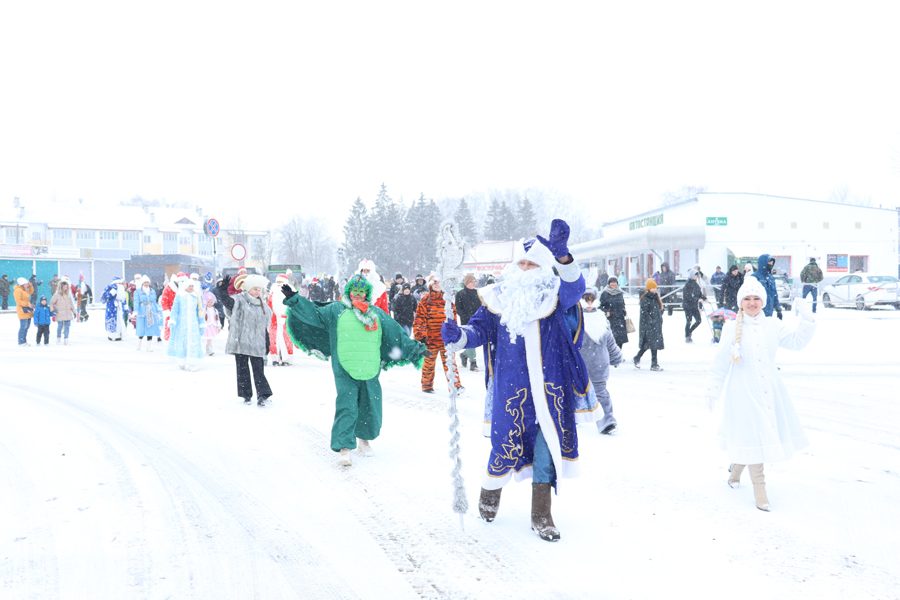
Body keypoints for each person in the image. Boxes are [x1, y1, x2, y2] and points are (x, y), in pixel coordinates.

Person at [441, 219, 597, 542]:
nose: (526, 268)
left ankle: (541, 514)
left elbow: (576, 288)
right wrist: (459, 336)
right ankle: (489, 495)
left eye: (533, 263)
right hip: (509, 390)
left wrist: (564, 257)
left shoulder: (554, 296)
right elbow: (478, 330)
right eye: (522, 262)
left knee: (545, 451)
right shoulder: (497, 297)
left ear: (543, 268)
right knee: (504, 446)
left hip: (548, 390)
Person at [282, 274, 429, 465]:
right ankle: (344, 447)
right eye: (355, 291)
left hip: (369, 366)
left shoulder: (375, 313)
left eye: (362, 292)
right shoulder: (336, 310)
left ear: (367, 294)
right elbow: (314, 314)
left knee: (370, 404)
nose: (358, 295)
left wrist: (414, 348)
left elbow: (395, 333)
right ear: (349, 291)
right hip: (344, 366)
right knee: (347, 405)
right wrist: (296, 301)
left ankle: (364, 440)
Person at [706, 278, 816, 512]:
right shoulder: (730, 328)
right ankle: (760, 491)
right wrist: (712, 390)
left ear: (763, 301)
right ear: (740, 302)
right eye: (747, 298)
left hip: (770, 391)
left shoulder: (773, 326)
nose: (752, 303)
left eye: (756, 298)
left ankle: (735, 473)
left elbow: (797, 342)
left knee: (753, 437)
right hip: (742, 393)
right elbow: (720, 364)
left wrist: (806, 319)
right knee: (755, 437)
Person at [220, 274, 274, 405]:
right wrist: (222, 291)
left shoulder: (262, 304)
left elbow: (264, 326)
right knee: (242, 369)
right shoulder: (239, 300)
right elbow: (228, 303)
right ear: (248, 288)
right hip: (241, 341)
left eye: (259, 289)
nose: (257, 292)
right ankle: (246, 395)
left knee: (258, 370)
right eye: (255, 289)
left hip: (257, 342)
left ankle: (262, 394)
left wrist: (267, 341)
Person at [579, 288, 623, 435]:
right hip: (580, 364)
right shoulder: (575, 318)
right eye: (586, 299)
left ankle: (607, 422)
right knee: (575, 392)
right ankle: (574, 418)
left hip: (599, 364)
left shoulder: (601, 317)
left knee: (601, 393)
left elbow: (609, 340)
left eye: (592, 299)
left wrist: (616, 355)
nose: (589, 303)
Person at [414, 275, 463, 394]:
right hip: (430, 339)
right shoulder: (425, 301)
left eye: (439, 283)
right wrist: (421, 335)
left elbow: (453, 319)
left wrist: (454, 333)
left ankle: (455, 386)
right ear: (430, 285)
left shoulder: (448, 301)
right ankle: (427, 385)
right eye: (434, 283)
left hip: (446, 339)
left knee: (450, 363)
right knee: (428, 364)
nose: (437, 285)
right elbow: (419, 319)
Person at [167, 278, 205, 371]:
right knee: (182, 342)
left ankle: (192, 363)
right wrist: (172, 321)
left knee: (192, 343)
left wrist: (201, 323)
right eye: (189, 286)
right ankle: (182, 361)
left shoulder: (196, 296)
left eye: (192, 286)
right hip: (182, 324)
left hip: (193, 324)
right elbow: (175, 310)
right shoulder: (180, 296)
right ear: (185, 287)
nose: (191, 288)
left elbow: (199, 311)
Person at [633, 279, 664, 371]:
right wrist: (651, 322)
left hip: (655, 325)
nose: (654, 290)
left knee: (651, 345)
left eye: (655, 288)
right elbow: (644, 313)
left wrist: (660, 314)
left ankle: (639, 358)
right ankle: (653, 364)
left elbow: (658, 310)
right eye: (652, 288)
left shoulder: (655, 298)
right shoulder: (646, 299)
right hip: (648, 326)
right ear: (648, 289)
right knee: (649, 345)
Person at [454, 274, 481, 372]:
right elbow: (458, 308)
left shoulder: (478, 293)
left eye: (474, 282)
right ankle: (473, 362)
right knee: (471, 341)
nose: (473, 283)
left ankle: (465, 354)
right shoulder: (460, 294)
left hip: (477, 320)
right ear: (466, 283)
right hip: (466, 321)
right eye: (471, 282)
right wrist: (465, 316)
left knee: (477, 340)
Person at [267, 274, 294, 366]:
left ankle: (286, 359)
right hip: (274, 319)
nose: (279, 284)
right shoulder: (273, 290)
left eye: (281, 282)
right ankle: (275, 358)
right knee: (274, 339)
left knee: (286, 339)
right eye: (277, 282)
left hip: (286, 319)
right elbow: (269, 305)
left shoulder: (291, 291)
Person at [134, 276, 162, 351]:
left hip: (151, 311)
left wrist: (157, 311)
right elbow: (136, 301)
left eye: (147, 282)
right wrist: (136, 310)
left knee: (150, 327)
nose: (146, 284)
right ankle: (139, 343)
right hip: (142, 311)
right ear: (142, 283)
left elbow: (154, 302)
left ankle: (148, 346)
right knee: (141, 328)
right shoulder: (138, 291)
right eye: (145, 282)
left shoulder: (152, 291)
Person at [599, 276, 628, 349]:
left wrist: (624, 311)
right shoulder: (605, 293)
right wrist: (606, 312)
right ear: (609, 283)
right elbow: (600, 306)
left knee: (620, 339)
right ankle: (611, 356)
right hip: (610, 319)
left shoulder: (619, 292)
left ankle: (618, 354)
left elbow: (622, 303)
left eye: (615, 282)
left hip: (620, 318)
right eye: (611, 282)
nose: (613, 284)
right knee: (611, 338)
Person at [750, 254, 782, 319]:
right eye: (769, 262)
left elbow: (774, 294)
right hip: (757, 312)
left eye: (772, 263)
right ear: (764, 263)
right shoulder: (755, 277)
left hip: (769, 312)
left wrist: (778, 308)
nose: (771, 264)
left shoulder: (771, 277)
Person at [50, 277, 78, 345]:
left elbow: (71, 304)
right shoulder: (57, 295)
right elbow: (51, 303)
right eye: (64, 287)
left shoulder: (68, 295)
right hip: (59, 313)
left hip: (67, 313)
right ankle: (58, 339)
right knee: (60, 327)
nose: (65, 288)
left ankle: (66, 339)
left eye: (66, 287)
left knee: (67, 327)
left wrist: (74, 312)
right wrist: (52, 310)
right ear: (61, 287)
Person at [682, 271, 708, 343]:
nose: (696, 277)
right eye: (695, 275)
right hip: (688, 306)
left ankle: (689, 332)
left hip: (694, 306)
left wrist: (704, 298)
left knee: (698, 320)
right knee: (689, 321)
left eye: (696, 276)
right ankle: (687, 336)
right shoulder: (687, 285)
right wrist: (697, 299)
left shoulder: (696, 284)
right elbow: (689, 296)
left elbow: (699, 294)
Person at [101, 277, 130, 341]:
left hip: (120, 308)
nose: (120, 285)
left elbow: (124, 300)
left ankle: (118, 334)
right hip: (112, 308)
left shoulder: (121, 290)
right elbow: (106, 296)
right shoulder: (110, 288)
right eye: (118, 283)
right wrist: (112, 292)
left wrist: (126, 308)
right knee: (112, 321)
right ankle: (111, 335)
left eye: (121, 283)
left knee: (120, 321)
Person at [161, 273, 186, 340]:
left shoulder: (185, 288)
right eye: (182, 281)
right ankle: (169, 342)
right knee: (170, 328)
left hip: (182, 311)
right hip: (170, 311)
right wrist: (166, 311)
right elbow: (164, 300)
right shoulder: (169, 288)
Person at [14, 278, 34, 346]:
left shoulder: (24, 290)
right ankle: (21, 341)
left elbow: (31, 292)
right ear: (22, 284)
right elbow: (18, 300)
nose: (27, 285)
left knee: (27, 327)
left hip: (27, 311)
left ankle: (24, 341)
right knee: (23, 327)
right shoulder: (18, 290)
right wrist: (27, 304)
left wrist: (30, 285)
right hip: (22, 311)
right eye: (26, 284)